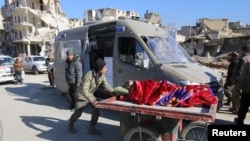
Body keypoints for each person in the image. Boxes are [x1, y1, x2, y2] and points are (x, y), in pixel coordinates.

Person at [68, 58, 113, 135]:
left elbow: (107, 86)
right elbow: (85, 90)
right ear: (99, 69)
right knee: (78, 113)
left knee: (96, 112)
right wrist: (92, 100)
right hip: (81, 96)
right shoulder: (89, 75)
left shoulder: (101, 76)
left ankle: (92, 128)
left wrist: (115, 92)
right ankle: (71, 124)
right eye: (105, 67)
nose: (106, 69)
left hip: (90, 95)